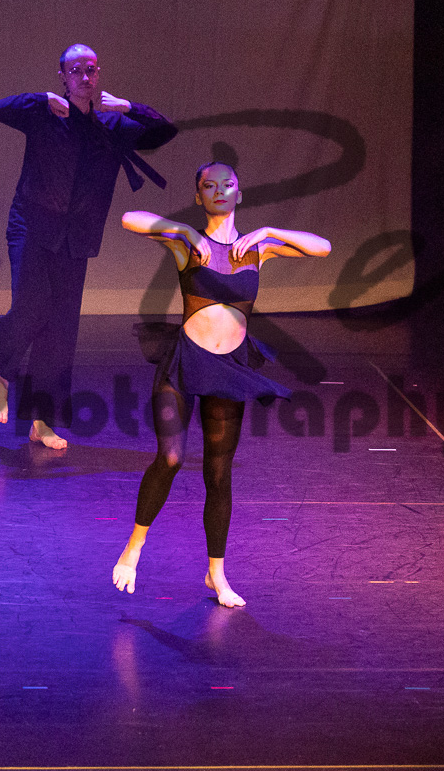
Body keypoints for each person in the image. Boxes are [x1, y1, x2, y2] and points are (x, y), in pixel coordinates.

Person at [111, 162, 331, 607]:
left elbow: (322, 248)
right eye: (208, 186)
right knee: (171, 457)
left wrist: (269, 231)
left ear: (238, 194)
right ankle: (134, 546)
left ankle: (216, 574)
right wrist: (182, 230)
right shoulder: (187, 245)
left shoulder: (257, 248)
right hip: (183, 362)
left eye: (227, 185)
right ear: (199, 197)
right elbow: (129, 218)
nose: (219, 191)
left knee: (218, 473)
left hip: (228, 368)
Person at [0, 44, 177, 449]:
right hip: (32, 226)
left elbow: (164, 132)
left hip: (76, 237)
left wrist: (129, 107)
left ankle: (42, 421)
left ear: (98, 73)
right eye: (76, 70)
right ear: (63, 76)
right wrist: (41, 99)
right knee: (31, 306)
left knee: (60, 331)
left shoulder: (111, 124)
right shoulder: (45, 114)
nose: (85, 77)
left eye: (91, 69)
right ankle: (1, 374)